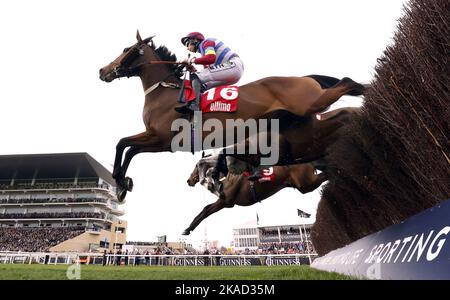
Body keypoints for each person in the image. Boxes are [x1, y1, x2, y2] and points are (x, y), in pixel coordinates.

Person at [175, 32, 244, 114]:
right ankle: (198, 116)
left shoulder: (206, 42)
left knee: (196, 76)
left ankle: (194, 105)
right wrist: (193, 69)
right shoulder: (203, 53)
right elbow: (206, 75)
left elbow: (211, 58)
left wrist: (190, 60)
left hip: (233, 65)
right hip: (230, 72)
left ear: (195, 40)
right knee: (202, 87)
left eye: (187, 44)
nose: (187, 48)